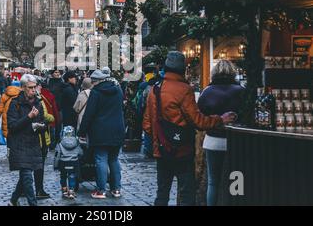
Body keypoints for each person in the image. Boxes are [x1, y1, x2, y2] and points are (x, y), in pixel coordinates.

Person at [143, 51, 237, 206]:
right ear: (182, 69)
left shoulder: (155, 89)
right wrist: (220, 119)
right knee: (187, 192)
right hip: (182, 150)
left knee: (162, 193)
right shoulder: (184, 89)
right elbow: (197, 121)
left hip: (161, 149)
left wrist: (160, 138)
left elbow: (147, 124)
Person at [198, 60, 245, 206]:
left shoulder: (207, 92)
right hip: (235, 141)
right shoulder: (241, 91)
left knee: (213, 181)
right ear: (233, 72)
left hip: (213, 141)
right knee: (236, 177)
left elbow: (200, 116)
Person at [78, 70, 125, 199]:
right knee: (114, 159)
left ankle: (101, 190)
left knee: (101, 159)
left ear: (96, 81)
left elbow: (89, 114)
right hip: (117, 129)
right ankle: (116, 189)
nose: (92, 84)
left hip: (100, 131)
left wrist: (82, 131)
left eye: (93, 82)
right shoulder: (118, 89)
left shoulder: (96, 92)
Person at [7, 75, 46, 206]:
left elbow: (42, 121)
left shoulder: (38, 103)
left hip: (33, 144)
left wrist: (41, 126)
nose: (33, 90)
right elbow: (12, 127)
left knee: (24, 177)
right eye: (30, 88)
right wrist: (29, 117)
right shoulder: (15, 104)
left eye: (35, 87)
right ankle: (33, 203)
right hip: (19, 144)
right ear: (23, 88)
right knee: (27, 177)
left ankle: (13, 200)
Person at [54, 126, 83, 199]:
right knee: (72, 176)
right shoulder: (76, 142)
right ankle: (71, 190)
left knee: (63, 176)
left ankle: (64, 190)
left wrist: (55, 165)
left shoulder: (60, 143)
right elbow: (80, 152)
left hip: (63, 163)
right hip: (73, 162)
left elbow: (57, 155)